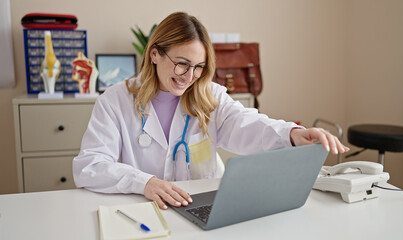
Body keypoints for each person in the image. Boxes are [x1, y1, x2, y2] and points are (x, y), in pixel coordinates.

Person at [73, 12, 349, 210]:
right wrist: (144, 182)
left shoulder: (210, 97)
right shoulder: (115, 101)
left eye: (198, 67)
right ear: (155, 54)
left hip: (198, 209)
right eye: (182, 63)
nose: (189, 76)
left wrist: (291, 134)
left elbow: (247, 123)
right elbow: (90, 166)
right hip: (141, 211)